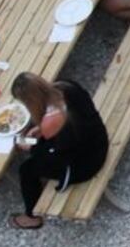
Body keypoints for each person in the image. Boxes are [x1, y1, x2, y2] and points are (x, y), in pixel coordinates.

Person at [9, 71, 109, 232]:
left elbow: (53, 156)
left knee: (27, 169)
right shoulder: (66, 86)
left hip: (88, 162)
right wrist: (42, 129)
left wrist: (32, 147)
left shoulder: (51, 122)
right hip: (97, 137)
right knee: (40, 152)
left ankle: (31, 217)